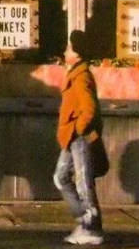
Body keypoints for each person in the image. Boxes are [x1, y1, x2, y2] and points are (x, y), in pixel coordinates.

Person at [53, 29, 105, 245]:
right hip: (70, 136)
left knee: (83, 182)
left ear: (76, 53)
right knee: (61, 177)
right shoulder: (75, 73)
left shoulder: (81, 76)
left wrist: (78, 128)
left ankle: (91, 228)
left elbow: (89, 109)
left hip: (78, 137)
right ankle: (85, 218)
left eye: (68, 48)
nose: (65, 52)